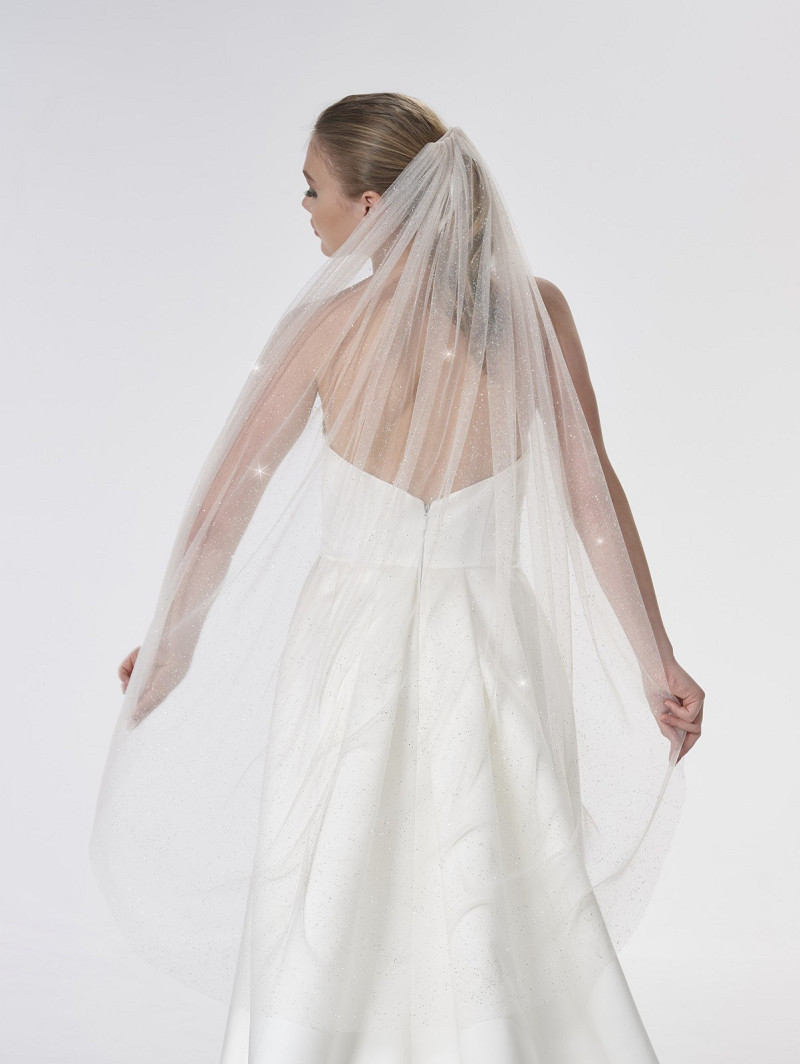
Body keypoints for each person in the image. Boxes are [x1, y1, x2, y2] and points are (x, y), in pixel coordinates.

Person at [93, 93, 704, 1063]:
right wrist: (655, 659)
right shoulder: (533, 313)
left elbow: (224, 509)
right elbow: (592, 499)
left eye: (313, 189)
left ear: (373, 206)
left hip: (351, 642)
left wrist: (173, 643)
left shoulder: (325, 327)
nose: (305, 209)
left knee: (337, 869)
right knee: (490, 865)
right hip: (487, 635)